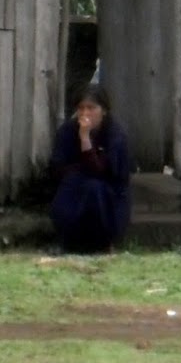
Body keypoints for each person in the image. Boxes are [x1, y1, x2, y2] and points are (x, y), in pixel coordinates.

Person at [50, 84, 131, 253]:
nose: (85, 113)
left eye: (91, 108)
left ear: (103, 110)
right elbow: (58, 168)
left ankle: (104, 243)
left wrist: (85, 140)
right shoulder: (67, 131)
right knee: (71, 187)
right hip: (76, 186)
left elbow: (108, 173)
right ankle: (67, 242)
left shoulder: (115, 135)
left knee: (94, 189)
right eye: (81, 108)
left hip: (108, 194)